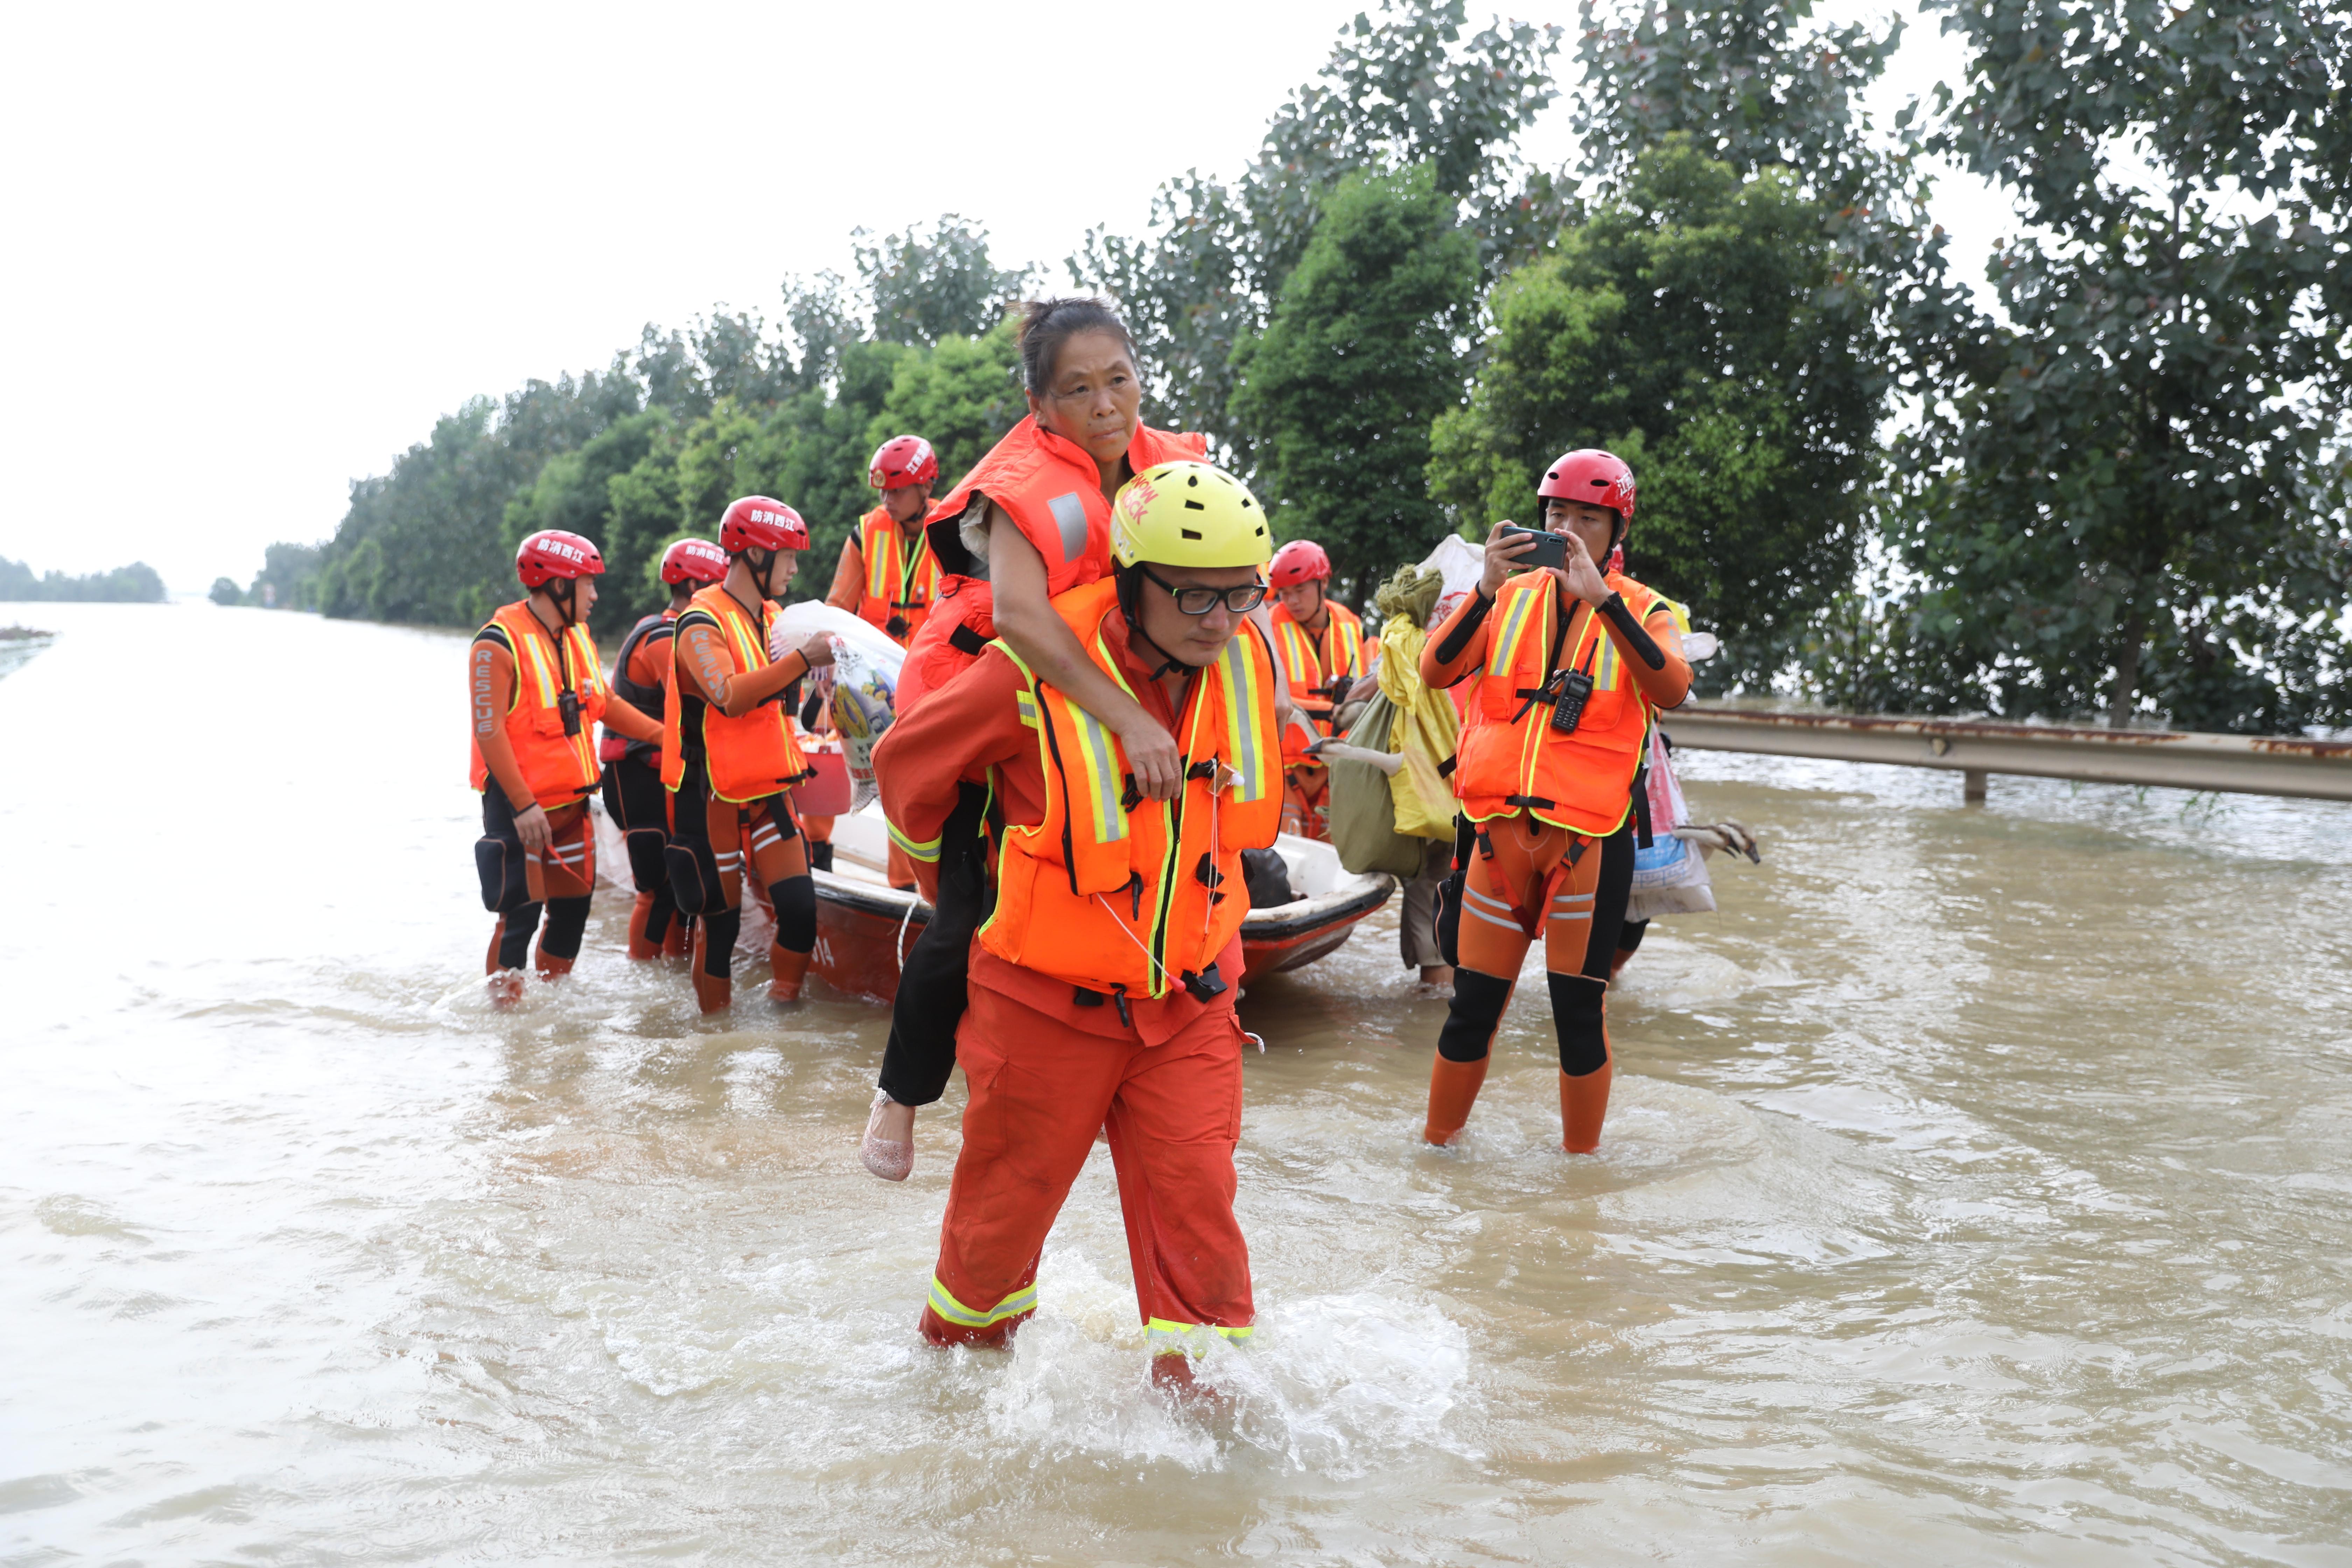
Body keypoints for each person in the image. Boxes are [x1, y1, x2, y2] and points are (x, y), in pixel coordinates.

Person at [874, 460, 1279, 1387]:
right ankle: (958, 1404)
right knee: (993, 1239)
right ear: (1133, 584)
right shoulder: (1025, 675)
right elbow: (906, 775)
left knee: (1203, 1229)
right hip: (1041, 1009)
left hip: (1191, 1003)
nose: (1221, 622)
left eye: (1239, 598)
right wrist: (957, 896)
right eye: (1195, 599)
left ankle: (1206, 1443)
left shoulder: (1244, 657)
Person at [859, 297, 1221, 1180]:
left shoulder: (1169, 462)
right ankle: (901, 1095)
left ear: (1140, 379)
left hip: (1098, 685)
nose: (1105, 406)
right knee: (963, 920)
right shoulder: (1021, 483)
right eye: (1079, 391)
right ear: (1040, 406)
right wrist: (1133, 719)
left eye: (1119, 381)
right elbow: (1023, 617)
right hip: (991, 685)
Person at [1416, 449, 1690, 1155]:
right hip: (1497, 838)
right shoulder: (1506, 597)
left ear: (1615, 526)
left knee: (1577, 1012)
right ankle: (1436, 1152)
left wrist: (1602, 599)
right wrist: (1483, 586)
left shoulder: (1644, 608)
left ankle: (1581, 1183)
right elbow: (1435, 669)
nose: (1567, 528)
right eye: (1556, 515)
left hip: (1589, 847)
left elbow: (1671, 689)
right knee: (1470, 1010)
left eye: (1586, 517)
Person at [469, 529, 662, 1006]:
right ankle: (505, 1019)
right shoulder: (495, 645)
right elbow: (489, 732)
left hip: (572, 806)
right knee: (520, 916)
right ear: (558, 585)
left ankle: (553, 1007)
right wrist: (523, 805)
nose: (595, 595)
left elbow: (605, 702)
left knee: (574, 911)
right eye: (587, 584)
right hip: (519, 809)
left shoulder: (576, 636)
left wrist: (666, 736)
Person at [662, 496, 835, 1014]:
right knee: (721, 926)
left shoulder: (777, 619)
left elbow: (790, 698)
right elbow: (730, 696)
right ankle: (715, 1039)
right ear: (756, 555)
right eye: (788, 556)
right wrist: (805, 658)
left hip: (769, 790)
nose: (796, 568)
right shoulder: (699, 621)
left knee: (802, 913)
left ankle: (784, 1014)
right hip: (710, 796)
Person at [602, 537, 728, 959]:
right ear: (695, 585)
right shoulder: (664, 637)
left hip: (666, 774)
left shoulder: (679, 631)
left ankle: (672, 969)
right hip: (639, 777)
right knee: (656, 890)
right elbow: (705, 702)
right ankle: (642, 978)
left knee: (678, 886)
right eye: (718, 584)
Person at [1266, 540, 1369, 840]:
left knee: (1333, 859)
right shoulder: (1267, 628)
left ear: (1323, 582)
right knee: (1287, 858)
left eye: (1300, 590)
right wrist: (1332, 710)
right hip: (1286, 768)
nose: (1292, 601)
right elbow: (1268, 696)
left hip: (1337, 768)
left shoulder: (1353, 626)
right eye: (1285, 593)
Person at [827, 435, 941, 647]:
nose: (888, 500)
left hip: (933, 666)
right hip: (876, 668)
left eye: (897, 491)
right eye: (883, 491)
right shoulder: (865, 533)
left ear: (926, 487)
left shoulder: (954, 531)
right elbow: (838, 606)